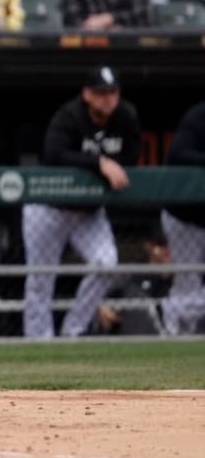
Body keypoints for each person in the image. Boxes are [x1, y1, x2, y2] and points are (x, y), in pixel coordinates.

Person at [22, 66, 140, 340]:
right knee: (41, 279)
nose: (107, 99)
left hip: (88, 210)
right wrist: (98, 163)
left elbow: (131, 157)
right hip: (48, 207)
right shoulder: (69, 115)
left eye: (112, 92)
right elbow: (53, 154)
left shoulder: (126, 117)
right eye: (101, 93)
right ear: (87, 94)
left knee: (106, 264)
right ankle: (38, 342)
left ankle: (73, 331)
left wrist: (109, 167)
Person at [160, 101, 205, 336]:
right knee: (188, 284)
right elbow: (178, 153)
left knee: (187, 295)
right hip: (184, 217)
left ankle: (173, 308)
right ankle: (179, 337)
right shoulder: (198, 115)